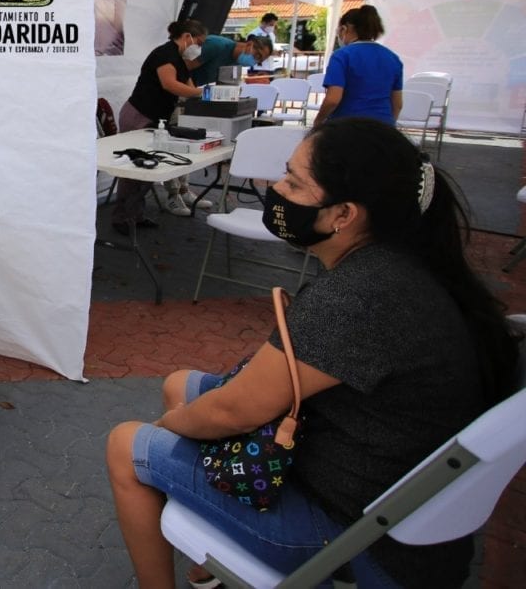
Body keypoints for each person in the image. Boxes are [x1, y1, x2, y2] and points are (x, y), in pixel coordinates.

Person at [105, 117, 520, 588]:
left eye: (293, 183)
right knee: (180, 383)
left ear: (343, 214)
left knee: (128, 444)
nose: (276, 190)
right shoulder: (401, 262)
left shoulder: (361, 296)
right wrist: (191, 417)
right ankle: (210, 566)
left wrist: (171, 425)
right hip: (359, 477)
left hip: (361, 537)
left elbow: (234, 412)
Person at [113, 19, 212, 234]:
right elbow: (170, 84)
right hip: (139, 115)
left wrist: (205, 95)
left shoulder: (181, 60)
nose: (199, 47)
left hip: (155, 118)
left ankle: (136, 215)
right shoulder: (165, 54)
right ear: (187, 37)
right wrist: (205, 93)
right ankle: (122, 218)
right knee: (132, 170)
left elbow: (189, 88)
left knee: (147, 167)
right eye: (199, 42)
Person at [313, 5, 403, 126]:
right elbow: (397, 104)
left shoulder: (342, 56)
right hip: (383, 124)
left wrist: (318, 122)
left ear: (344, 29)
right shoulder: (393, 58)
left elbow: (332, 99)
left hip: (347, 124)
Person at [186, 33, 274, 88]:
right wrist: (192, 92)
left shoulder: (236, 64)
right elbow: (183, 68)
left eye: (259, 61)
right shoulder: (216, 45)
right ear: (249, 44)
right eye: (257, 55)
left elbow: (224, 88)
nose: (254, 62)